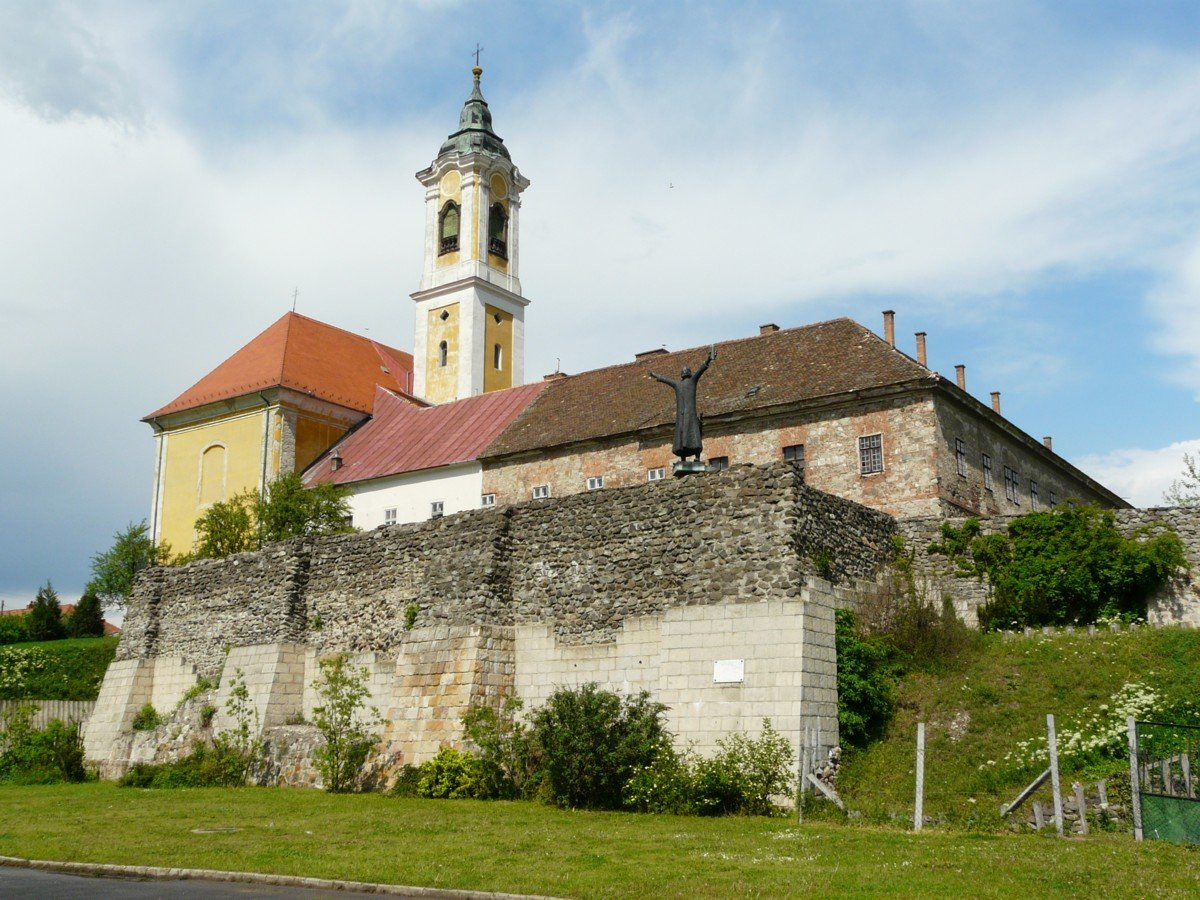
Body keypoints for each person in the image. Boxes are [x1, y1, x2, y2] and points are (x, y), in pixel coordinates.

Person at [650, 345, 716, 462]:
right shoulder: (690, 381)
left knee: (684, 434)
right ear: (689, 373)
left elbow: (666, 379)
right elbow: (701, 369)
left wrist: (656, 375)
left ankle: (684, 458)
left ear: (682, 374)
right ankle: (694, 457)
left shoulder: (680, 384)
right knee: (692, 434)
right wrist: (708, 359)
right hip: (688, 414)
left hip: (683, 415)